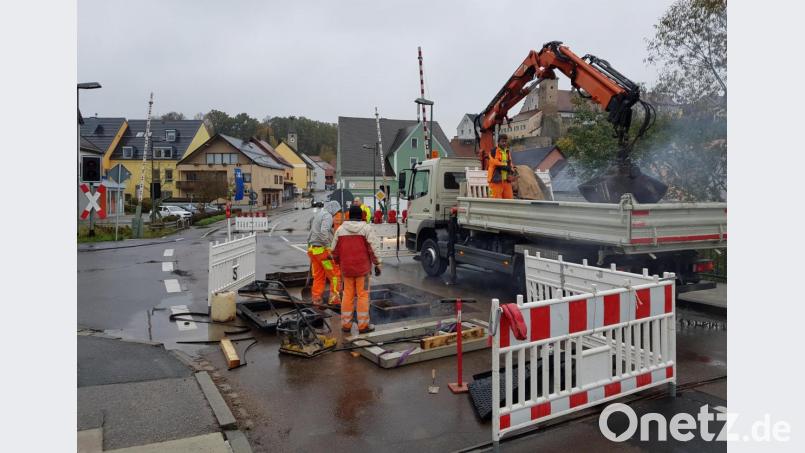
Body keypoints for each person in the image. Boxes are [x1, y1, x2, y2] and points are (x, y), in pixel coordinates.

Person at [331, 205, 382, 333]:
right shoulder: (366, 229)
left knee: (347, 295)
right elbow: (373, 249)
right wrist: (378, 264)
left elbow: (334, 252)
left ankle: (346, 325)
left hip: (346, 270)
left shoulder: (340, 229)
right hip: (362, 271)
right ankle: (363, 326)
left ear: (348, 216)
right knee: (362, 296)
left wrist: (339, 263)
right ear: (361, 216)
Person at [307, 200, 342, 306]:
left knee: (319, 276)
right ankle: (334, 299)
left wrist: (309, 247)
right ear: (333, 209)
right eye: (336, 212)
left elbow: (311, 233)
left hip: (313, 251)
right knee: (335, 274)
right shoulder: (327, 216)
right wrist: (329, 248)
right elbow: (324, 232)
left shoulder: (319, 214)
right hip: (323, 253)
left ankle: (316, 298)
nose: (336, 215)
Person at [487, 134, 514, 199]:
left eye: (505, 141)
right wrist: (507, 167)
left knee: (509, 201)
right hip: (495, 181)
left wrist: (511, 172)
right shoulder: (493, 151)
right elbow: (495, 163)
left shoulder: (507, 151)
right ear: (498, 142)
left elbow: (510, 163)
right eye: (502, 141)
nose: (504, 143)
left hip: (506, 181)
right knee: (496, 203)